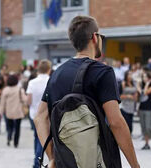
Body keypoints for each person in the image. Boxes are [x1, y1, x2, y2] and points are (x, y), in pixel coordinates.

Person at [34, 16, 140, 168]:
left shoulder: (57, 73)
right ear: (95, 38)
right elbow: (116, 122)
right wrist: (135, 164)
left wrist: (52, 157)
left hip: (66, 160)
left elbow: (40, 117)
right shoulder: (103, 72)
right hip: (98, 159)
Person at [26, 60, 51, 168]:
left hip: (34, 114)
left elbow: (28, 101)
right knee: (46, 139)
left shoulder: (32, 82)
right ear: (49, 69)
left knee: (37, 137)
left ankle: (36, 162)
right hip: (48, 115)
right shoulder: (51, 81)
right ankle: (46, 161)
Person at [0, 74, 26, 148]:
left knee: (9, 126)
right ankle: (16, 143)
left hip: (8, 112)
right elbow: (25, 100)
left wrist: (1, 111)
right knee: (17, 128)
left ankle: (9, 137)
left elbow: (2, 102)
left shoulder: (6, 90)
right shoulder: (20, 89)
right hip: (18, 111)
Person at [137, 71, 151, 150]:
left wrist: (148, 84)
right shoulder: (142, 85)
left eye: (146, 77)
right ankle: (146, 143)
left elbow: (145, 92)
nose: (144, 78)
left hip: (148, 109)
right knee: (144, 127)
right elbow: (138, 90)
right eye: (143, 77)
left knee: (149, 127)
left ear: (149, 78)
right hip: (141, 108)